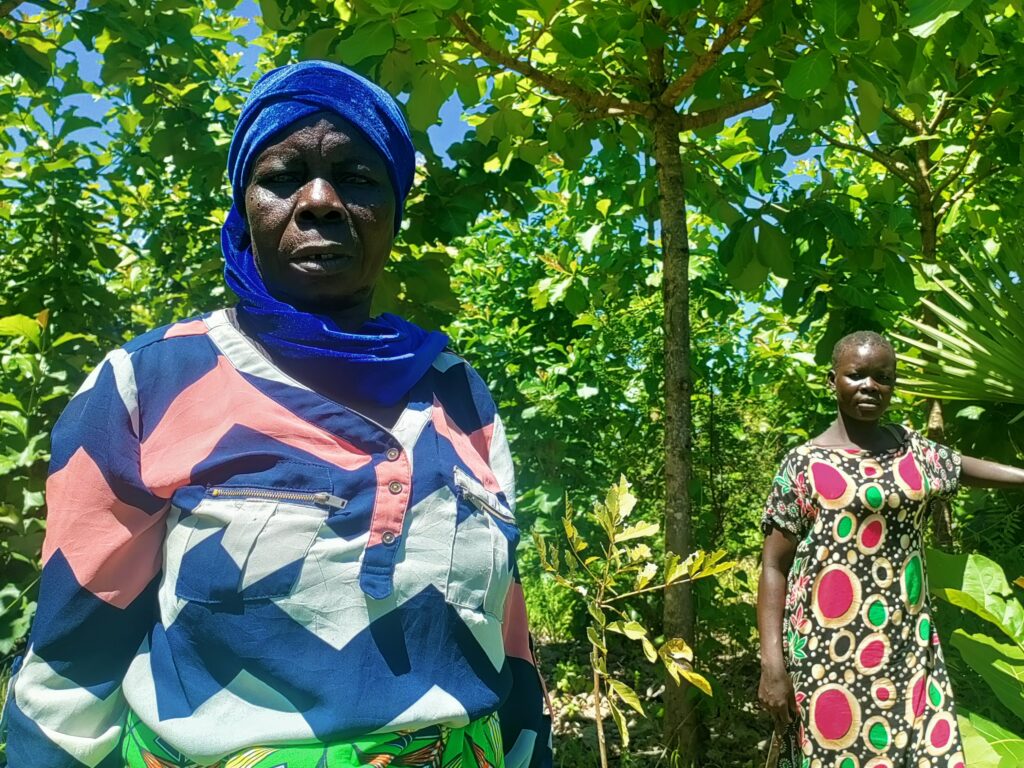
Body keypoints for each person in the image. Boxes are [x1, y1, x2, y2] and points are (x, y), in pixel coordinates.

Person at [4, 61, 551, 768]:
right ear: (244, 205)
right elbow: (73, 658)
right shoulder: (149, 383)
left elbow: (502, 634)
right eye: (284, 175)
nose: (320, 199)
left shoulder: (457, 394)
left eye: (357, 177)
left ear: (393, 212)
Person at [757, 330, 1024, 768]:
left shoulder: (913, 451)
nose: (870, 387)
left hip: (907, 647)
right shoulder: (804, 464)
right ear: (833, 381)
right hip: (827, 654)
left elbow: (963, 469)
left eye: (882, 377)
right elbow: (773, 565)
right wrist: (773, 665)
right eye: (856, 375)